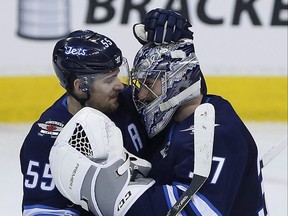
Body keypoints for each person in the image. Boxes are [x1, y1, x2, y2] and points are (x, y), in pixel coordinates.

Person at [47, 9, 268, 216]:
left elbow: (197, 210)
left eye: (149, 83)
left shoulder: (218, 135)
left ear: (178, 78)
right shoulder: (179, 120)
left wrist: (110, 194)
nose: (141, 94)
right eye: (140, 83)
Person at [20, 8, 194, 215]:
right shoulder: (47, 138)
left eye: (117, 75)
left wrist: (180, 44)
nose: (120, 85)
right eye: (109, 79)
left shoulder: (129, 101)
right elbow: (43, 211)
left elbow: (190, 101)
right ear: (80, 86)